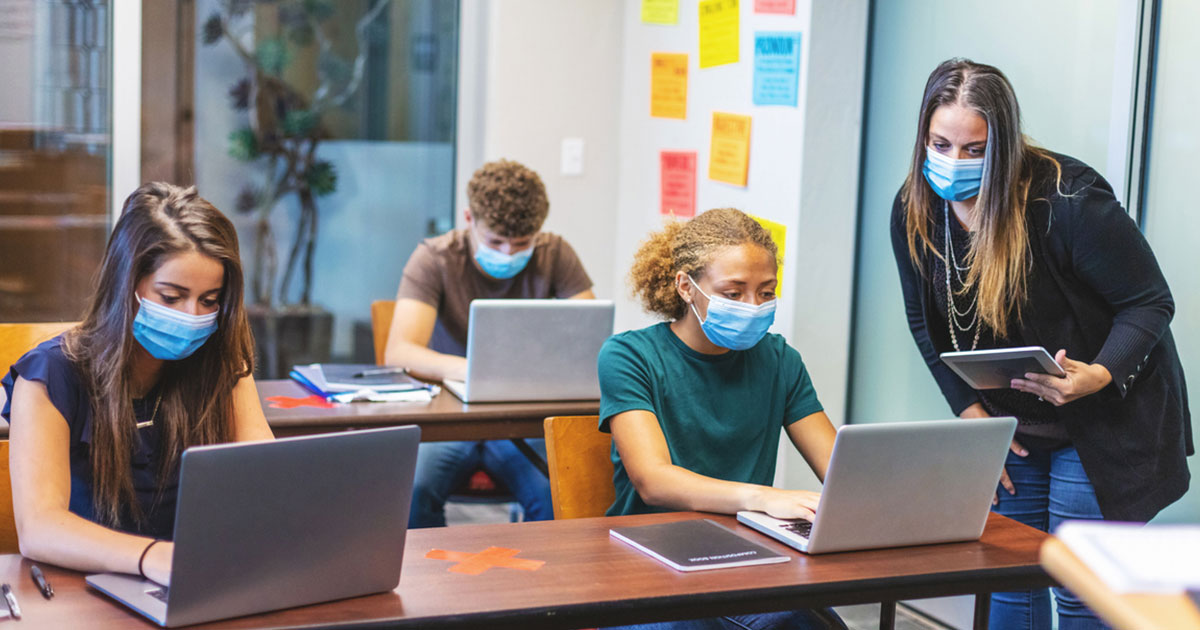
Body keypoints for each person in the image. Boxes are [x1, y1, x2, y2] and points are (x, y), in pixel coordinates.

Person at [891, 58, 1192, 630]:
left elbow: (1149, 302)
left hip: (1104, 413)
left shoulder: (1069, 201)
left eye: (975, 149)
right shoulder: (916, 209)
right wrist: (970, 410)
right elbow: (923, 320)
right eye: (940, 143)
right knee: (1008, 583)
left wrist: (1096, 375)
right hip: (1011, 422)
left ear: (1002, 143)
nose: (954, 162)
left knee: (1080, 589)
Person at [2, 182, 275, 587]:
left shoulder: (221, 364)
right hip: (87, 592)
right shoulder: (49, 375)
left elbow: (271, 478)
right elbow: (40, 528)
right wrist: (154, 557)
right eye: (171, 297)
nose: (192, 316)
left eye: (209, 300)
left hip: (196, 582)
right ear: (126, 284)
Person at [598, 208, 845, 630]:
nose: (754, 306)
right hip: (647, 561)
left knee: (805, 622)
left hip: (749, 554)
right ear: (685, 286)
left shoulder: (780, 360)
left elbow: (841, 470)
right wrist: (765, 498)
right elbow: (652, 481)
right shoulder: (629, 356)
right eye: (734, 293)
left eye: (766, 293)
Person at [386, 159, 594, 528]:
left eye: (522, 244)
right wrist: (474, 371)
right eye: (496, 241)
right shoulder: (435, 258)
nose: (509, 254)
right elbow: (400, 351)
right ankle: (427, 584)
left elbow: (589, 341)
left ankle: (546, 585)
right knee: (411, 492)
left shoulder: (556, 254)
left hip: (524, 418)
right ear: (469, 218)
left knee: (560, 493)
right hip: (447, 415)